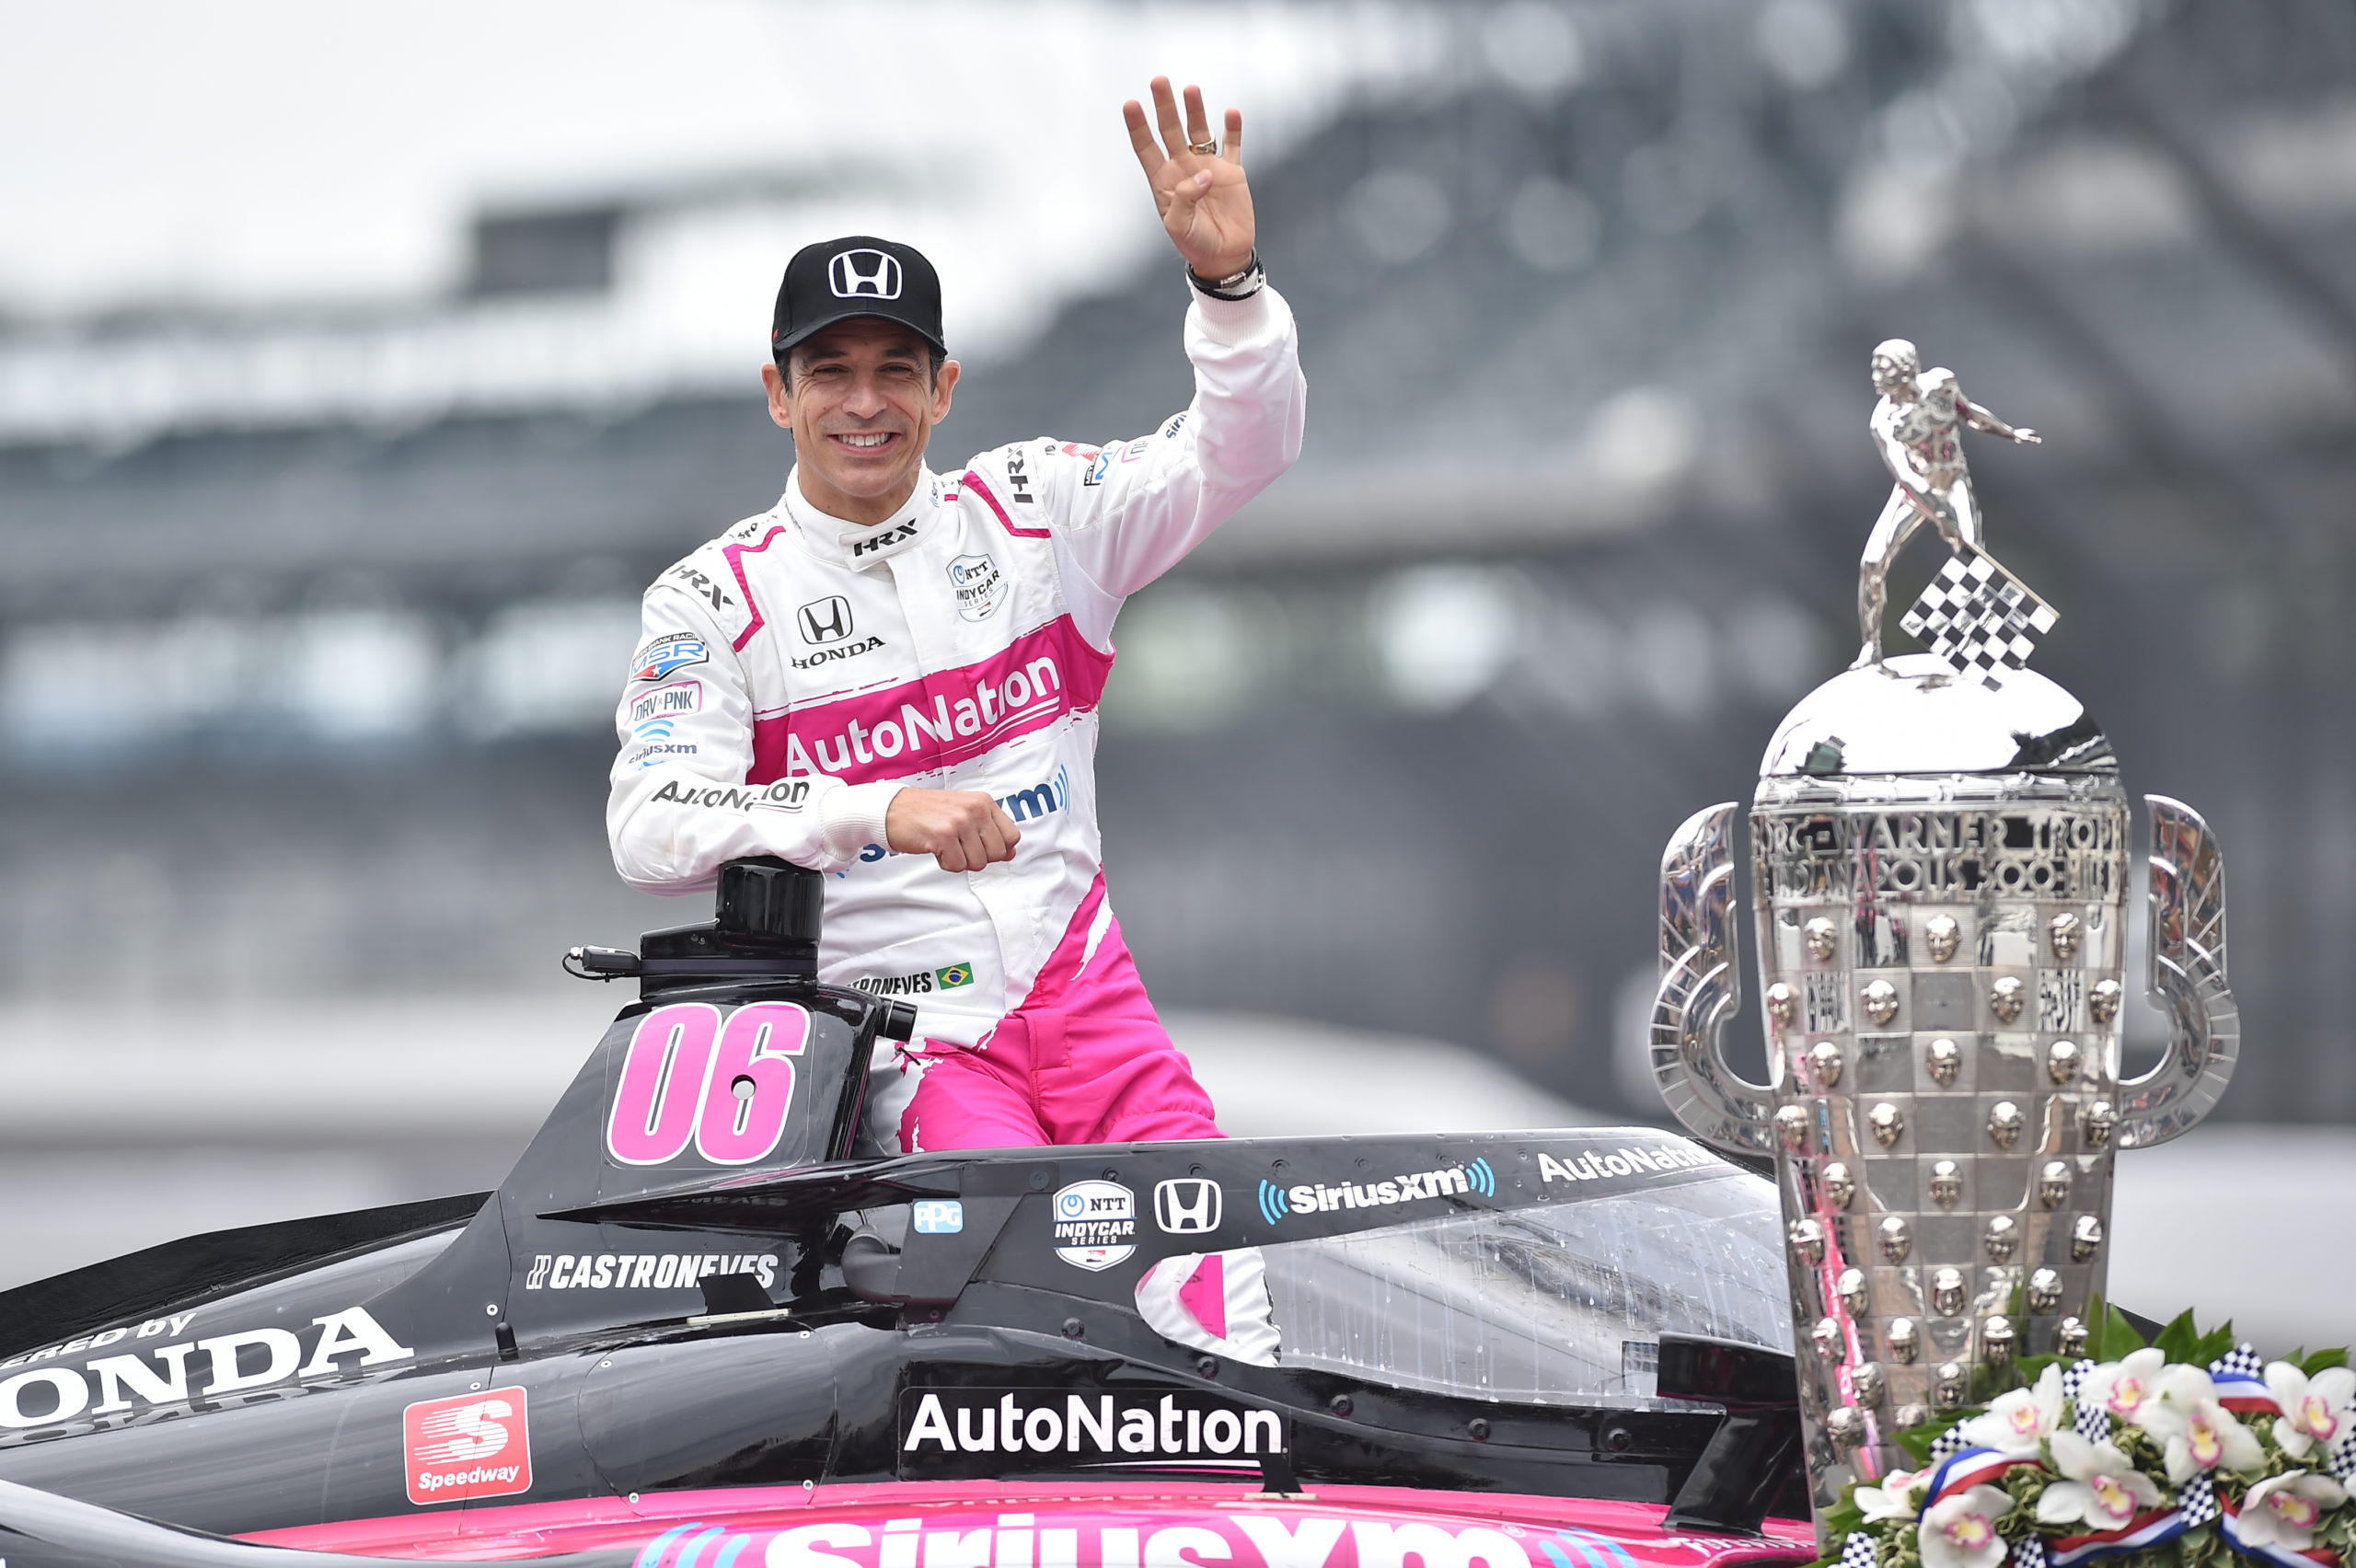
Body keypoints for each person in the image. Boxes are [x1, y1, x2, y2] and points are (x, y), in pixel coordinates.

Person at [606, 78, 1306, 1153]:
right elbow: (650, 829)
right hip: (906, 1037)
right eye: (829, 372)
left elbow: (1241, 453)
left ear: (943, 390)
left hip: (1095, 1011)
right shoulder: (711, 597)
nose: (865, 403)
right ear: (778, 394)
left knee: (1210, 1248)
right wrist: (877, 810)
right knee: (1015, 1232)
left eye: (897, 370)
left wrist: (1229, 287)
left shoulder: (1038, 509)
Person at [1854, 337, 2039, 665]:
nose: (1875, 377)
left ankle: (1990, 642)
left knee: (1973, 557)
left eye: (1882, 369)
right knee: (1872, 563)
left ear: (1905, 370)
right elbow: (1905, 475)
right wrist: (1940, 515)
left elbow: (1969, 412)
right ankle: (1871, 645)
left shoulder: (1941, 384)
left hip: (1952, 480)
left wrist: (2009, 432)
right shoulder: (1884, 421)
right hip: (1915, 493)